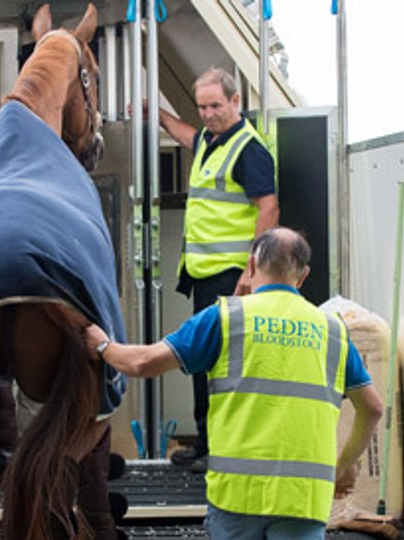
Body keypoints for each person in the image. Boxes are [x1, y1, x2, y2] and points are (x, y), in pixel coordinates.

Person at [84, 227, 383, 539]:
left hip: (238, 499)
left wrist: (103, 346)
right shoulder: (332, 330)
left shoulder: (226, 318)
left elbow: (142, 362)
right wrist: (343, 465)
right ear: (303, 275)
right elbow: (372, 408)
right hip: (303, 501)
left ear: (251, 266)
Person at [157, 67, 280, 470]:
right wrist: (156, 113)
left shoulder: (248, 148)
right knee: (204, 357)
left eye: (215, 105)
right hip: (204, 273)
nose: (208, 114)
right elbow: (185, 134)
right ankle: (206, 440)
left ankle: (222, 449)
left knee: (222, 363)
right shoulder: (212, 141)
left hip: (231, 276)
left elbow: (269, 208)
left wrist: (252, 271)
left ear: (235, 102)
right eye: (202, 106)